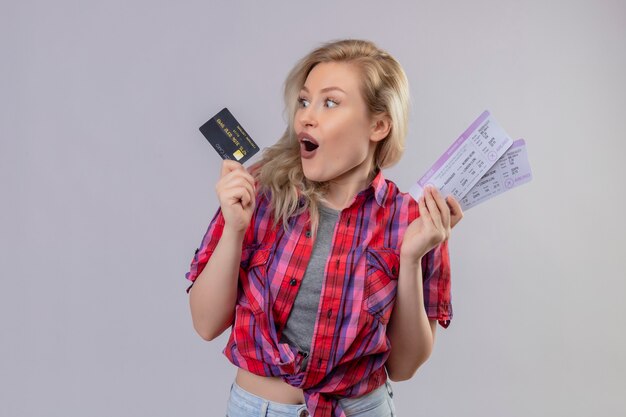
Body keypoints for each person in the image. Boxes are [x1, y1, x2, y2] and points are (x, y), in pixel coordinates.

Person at [185, 39, 463, 417]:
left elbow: (404, 367)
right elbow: (205, 323)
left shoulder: (412, 221)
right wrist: (234, 229)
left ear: (379, 125)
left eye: (329, 102)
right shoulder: (259, 194)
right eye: (304, 101)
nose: (306, 117)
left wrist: (412, 259)